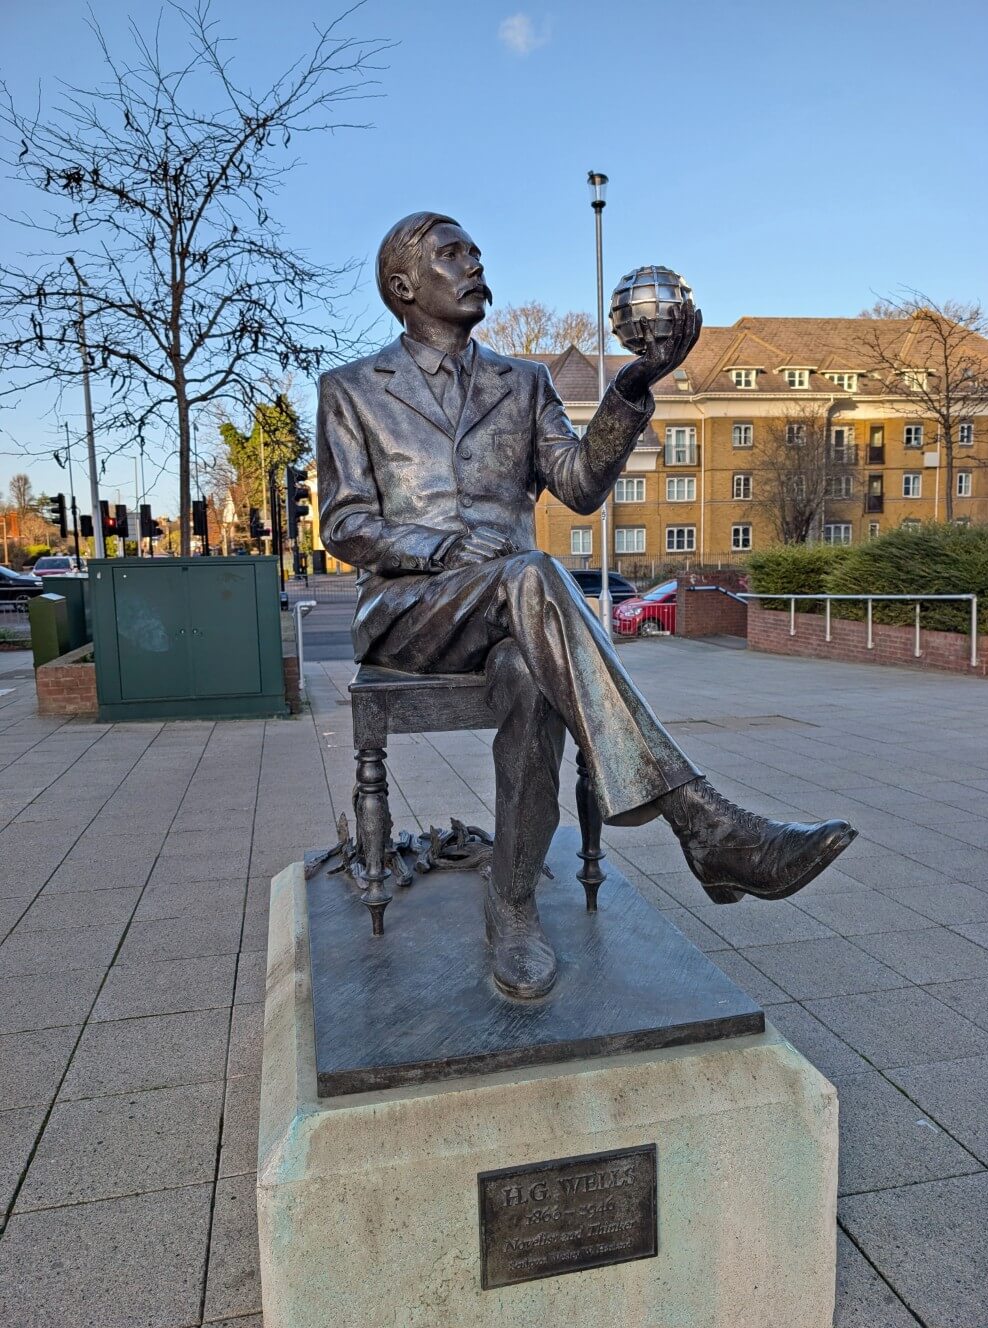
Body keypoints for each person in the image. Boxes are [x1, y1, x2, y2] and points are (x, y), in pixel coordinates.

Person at [318, 211, 856, 998]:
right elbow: (343, 522)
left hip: (516, 613)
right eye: (450, 254)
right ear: (403, 286)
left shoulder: (523, 382)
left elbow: (576, 486)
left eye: (475, 250)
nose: (474, 262)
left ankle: (513, 906)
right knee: (531, 574)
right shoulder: (353, 389)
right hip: (412, 609)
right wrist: (433, 549)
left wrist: (633, 386)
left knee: (537, 673)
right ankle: (703, 822)